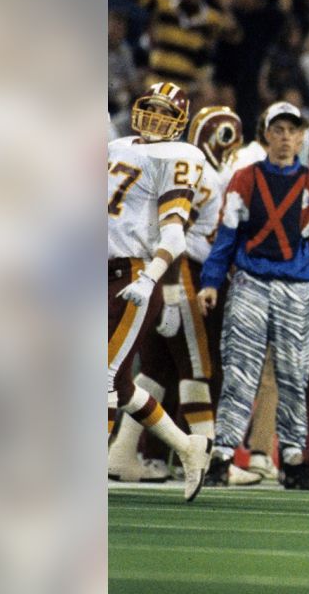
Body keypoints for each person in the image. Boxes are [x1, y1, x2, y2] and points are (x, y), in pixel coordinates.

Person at [196, 101, 309, 490]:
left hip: (296, 289)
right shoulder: (245, 178)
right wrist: (212, 281)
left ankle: (294, 458)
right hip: (250, 283)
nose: (286, 138)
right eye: (278, 130)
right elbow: (226, 235)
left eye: (293, 131)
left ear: (302, 136)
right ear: (266, 134)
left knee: (295, 377)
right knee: (239, 374)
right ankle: (224, 454)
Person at [108, 105, 255, 485]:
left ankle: (174, 453)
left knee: (133, 374)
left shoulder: (174, 158)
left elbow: (174, 229)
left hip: (150, 270)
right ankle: (200, 453)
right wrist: (171, 291)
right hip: (170, 271)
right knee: (175, 370)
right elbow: (175, 232)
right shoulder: (150, 154)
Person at [107, 82, 211, 501]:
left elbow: (175, 231)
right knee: (122, 386)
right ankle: (189, 447)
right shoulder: (115, 147)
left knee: (100, 377)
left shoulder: (180, 156)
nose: (153, 117)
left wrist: (150, 277)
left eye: (164, 111)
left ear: (180, 122)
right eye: (148, 107)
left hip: (132, 272)